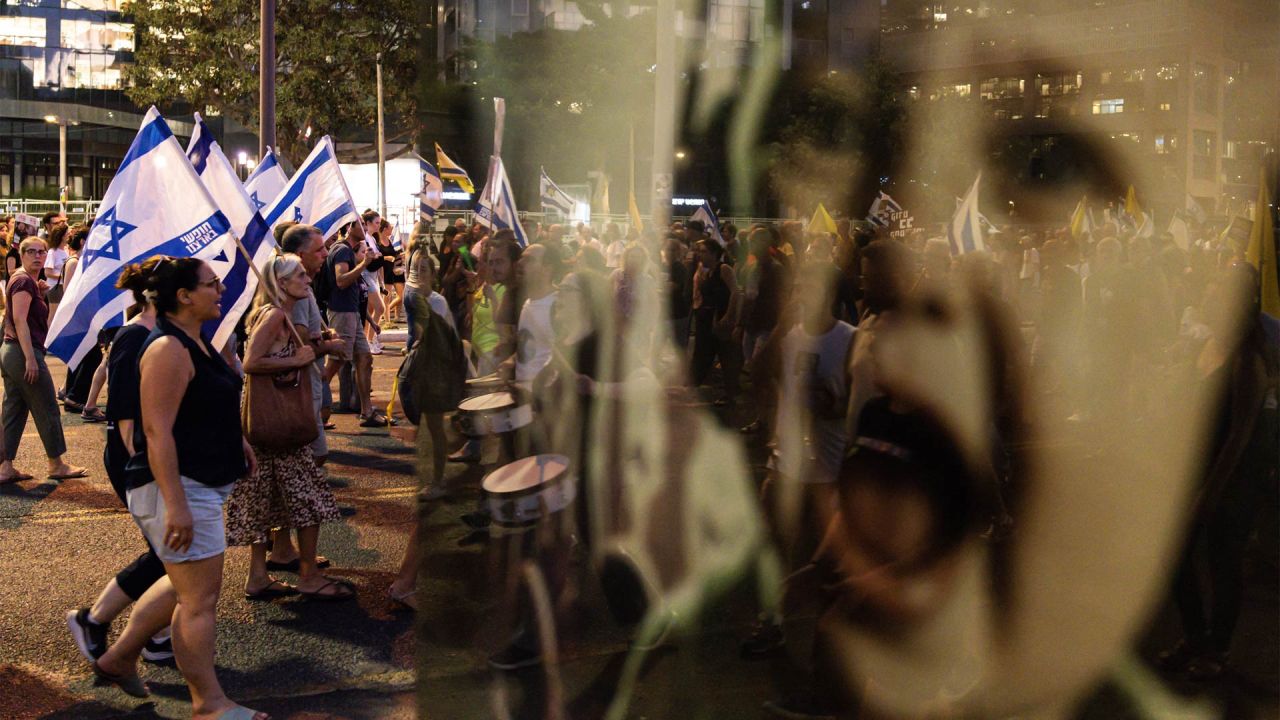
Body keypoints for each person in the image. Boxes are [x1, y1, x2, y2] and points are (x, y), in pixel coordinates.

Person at [95, 257, 268, 719]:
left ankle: (117, 657)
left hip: (202, 482)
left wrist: (240, 441)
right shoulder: (167, 349)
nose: (220, 290)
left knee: (182, 585)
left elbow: (206, 405)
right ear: (184, 297)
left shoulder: (197, 340)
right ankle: (208, 704)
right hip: (177, 486)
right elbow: (157, 432)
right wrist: (176, 505)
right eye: (211, 285)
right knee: (199, 601)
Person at [66, 257, 173, 669]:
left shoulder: (163, 331)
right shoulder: (133, 336)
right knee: (169, 552)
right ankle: (93, 619)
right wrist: (141, 469)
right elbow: (124, 411)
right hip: (134, 455)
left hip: (153, 454)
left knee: (167, 550)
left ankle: (157, 635)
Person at [224, 253, 351, 601]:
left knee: (263, 500)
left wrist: (315, 347)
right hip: (279, 426)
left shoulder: (279, 314)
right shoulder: (277, 314)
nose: (308, 280)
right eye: (299, 276)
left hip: (267, 426)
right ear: (281, 283)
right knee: (311, 501)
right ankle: (308, 575)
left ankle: (258, 575)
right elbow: (251, 363)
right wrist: (297, 358)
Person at [0, 237, 87, 484]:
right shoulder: (23, 281)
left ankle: (5, 467)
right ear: (22, 253)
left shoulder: (26, 281)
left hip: (12, 351)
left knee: (14, 410)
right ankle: (56, 464)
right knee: (47, 406)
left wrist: (39, 293)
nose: (37, 256)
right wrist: (30, 358)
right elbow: (19, 321)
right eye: (31, 252)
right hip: (21, 351)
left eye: (42, 252)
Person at [322, 221, 391, 427]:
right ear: (350, 226)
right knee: (336, 362)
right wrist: (363, 264)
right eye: (362, 225)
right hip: (342, 313)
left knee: (365, 358)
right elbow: (341, 280)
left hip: (351, 312)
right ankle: (315, 410)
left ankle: (366, 411)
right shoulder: (342, 250)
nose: (369, 229)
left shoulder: (347, 250)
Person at [379, 220, 405, 326]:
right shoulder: (377, 242)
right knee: (383, 297)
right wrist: (386, 258)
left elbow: (393, 255)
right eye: (390, 227)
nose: (392, 229)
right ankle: (384, 319)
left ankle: (387, 320)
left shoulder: (389, 241)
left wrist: (399, 257)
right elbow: (377, 257)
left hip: (390, 271)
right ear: (385, 229)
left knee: (388, 297)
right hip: (381, 272)